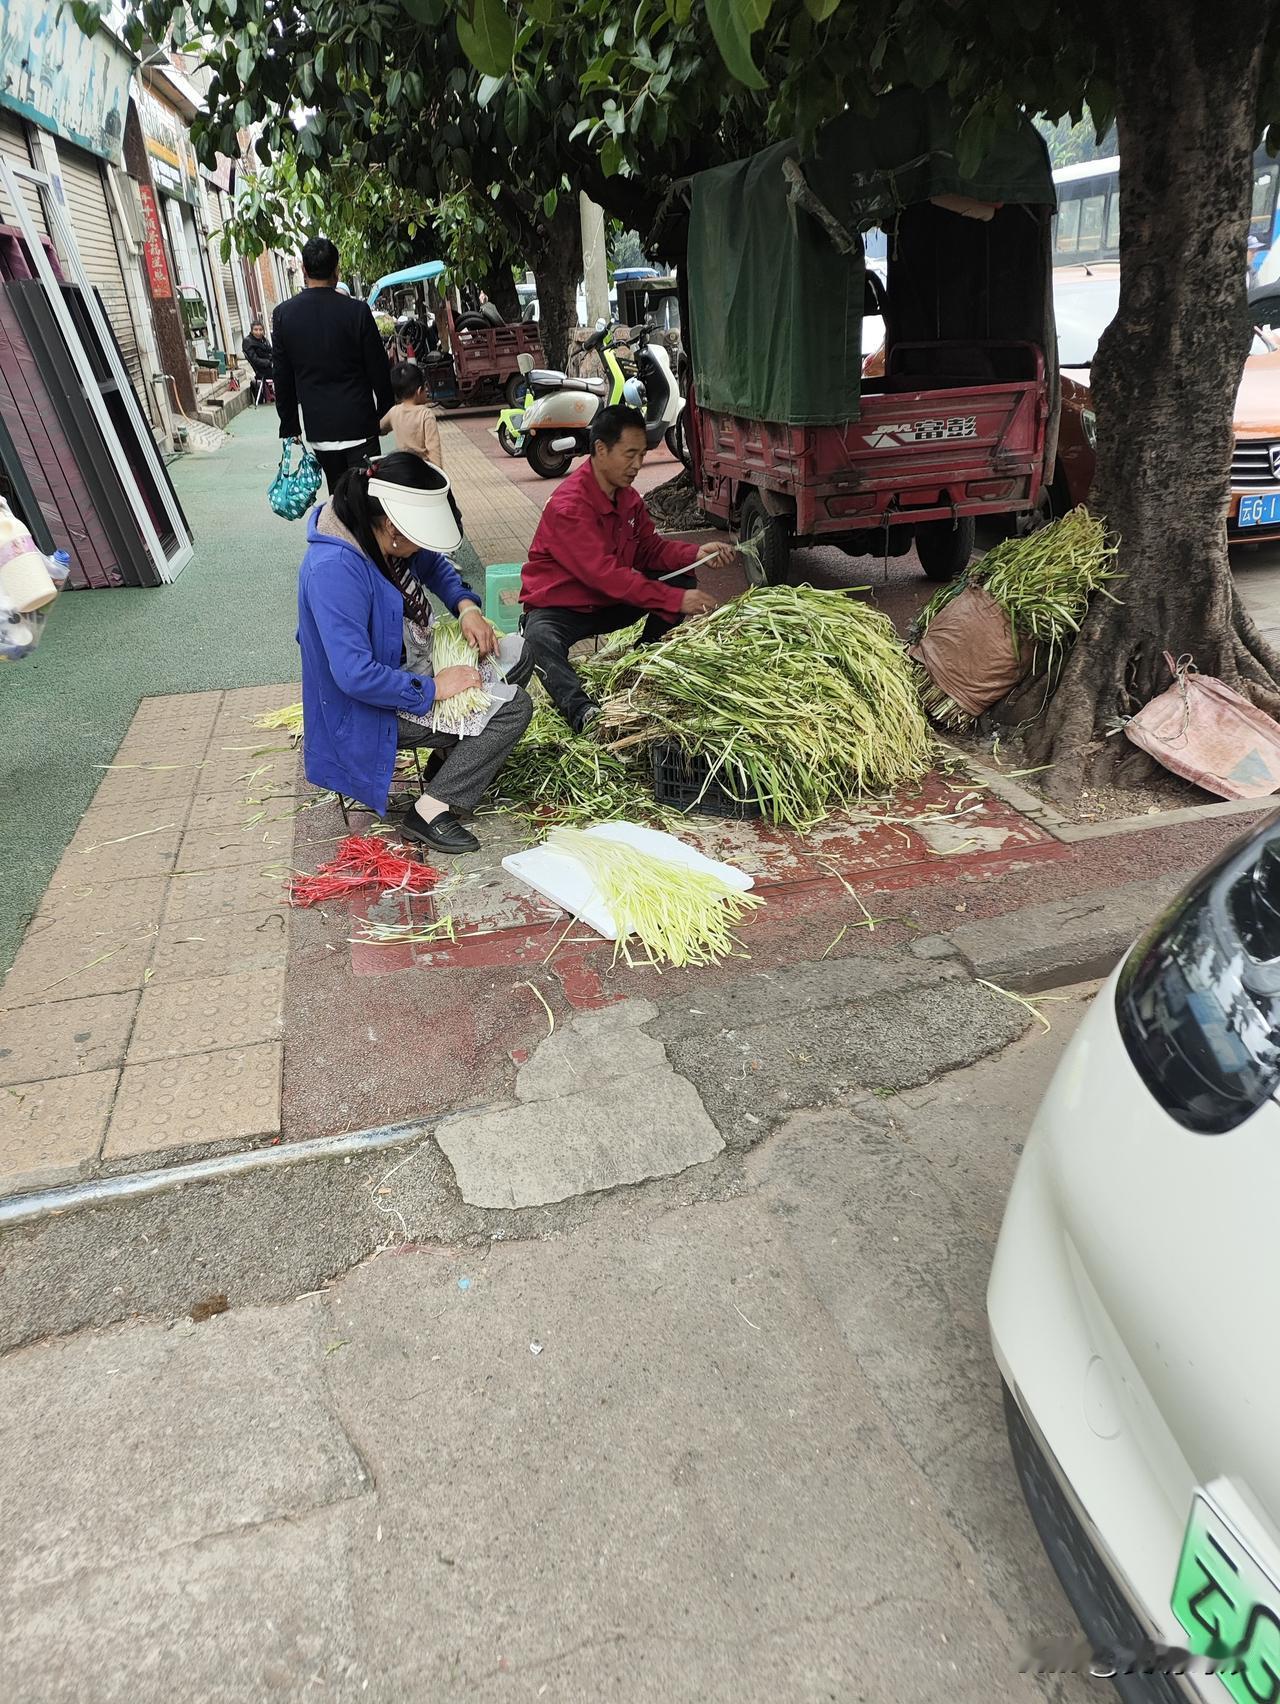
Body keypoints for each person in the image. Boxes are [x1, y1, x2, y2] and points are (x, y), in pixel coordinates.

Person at [297, 451, 533, 855]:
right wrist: (435, 689)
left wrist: (467, 608)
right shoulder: (334, 568)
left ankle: (449, 758)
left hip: (411, 667)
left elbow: (434, 566)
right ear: (393, 527)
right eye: (414, 541)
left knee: (518, 652)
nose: (418, 550)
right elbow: (356, 676)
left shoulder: (377, 531)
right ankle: (430, 810)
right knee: (515, 708)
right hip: (370, 706)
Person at [520, 405, 734, 732]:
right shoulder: (570, 506)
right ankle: (582, 711)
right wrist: (675, 601)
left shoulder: (629, 498)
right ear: (601, 450)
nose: (637, 465)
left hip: (609, 602)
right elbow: (606, 576)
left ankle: (641, 663)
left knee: (681, 579)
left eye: (643, 455)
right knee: (537, 640)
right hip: (563, 608)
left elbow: (650, 550)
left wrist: (695, 554)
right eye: (629, 454)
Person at [273, 236, 394, 495]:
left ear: (304, 270)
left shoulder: (284, 315)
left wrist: (290, 424)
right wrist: (385, 413)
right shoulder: (357, 312)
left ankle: (338, 535)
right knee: (366, 499)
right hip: (361, 425)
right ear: (337, 270)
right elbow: (379, 369)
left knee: (337, 500)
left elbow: (282, 376)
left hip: (320, 428)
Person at [379, 361, 444, 467]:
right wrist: (439, 476)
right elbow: (434, 451)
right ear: (419, 391)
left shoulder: (394, 412)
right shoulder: (426, 414)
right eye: (425, 387)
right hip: (423, 471)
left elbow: (379, 429)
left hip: (404, 470)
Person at [241, 319, 273, 393]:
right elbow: (255, 360)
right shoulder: (248, 341)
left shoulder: (264, 340)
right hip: (262, 370)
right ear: (252, 331)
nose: (258, 332)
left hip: (270, 367)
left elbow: (272, 352)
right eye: (256, 330)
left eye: (260, 330)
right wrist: (269, 363)